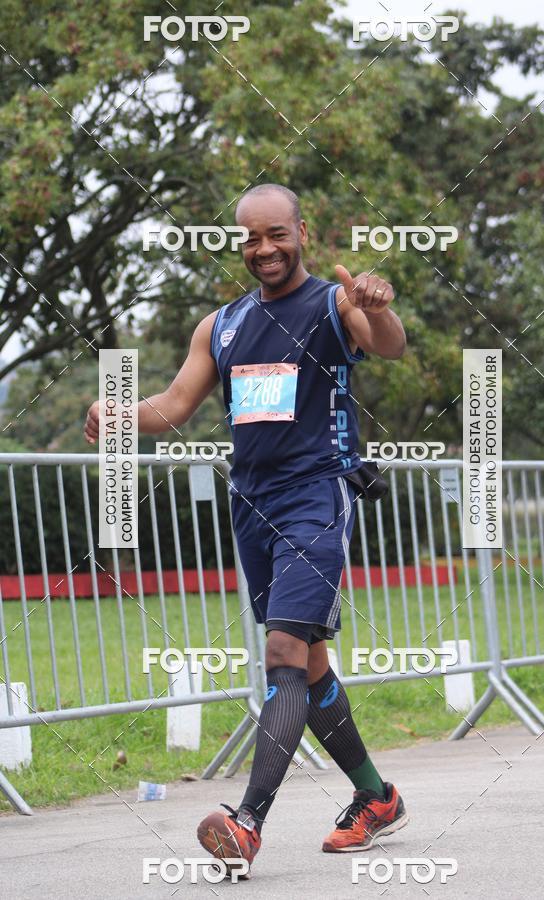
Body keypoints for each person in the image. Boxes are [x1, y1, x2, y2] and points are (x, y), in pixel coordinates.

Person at [84, 183, 408, 876]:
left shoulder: (332, 303)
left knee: (284, 652)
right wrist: (116, 411)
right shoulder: (221, 325)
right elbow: (174, 404)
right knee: (310, 664)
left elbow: (388, 345)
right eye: (251, 238)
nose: (264, 249)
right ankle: (376, 798)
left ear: (302, 231)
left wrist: (376, 308)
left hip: (317, 498)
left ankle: (248, 821)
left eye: (277, 235)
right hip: (252, 508)